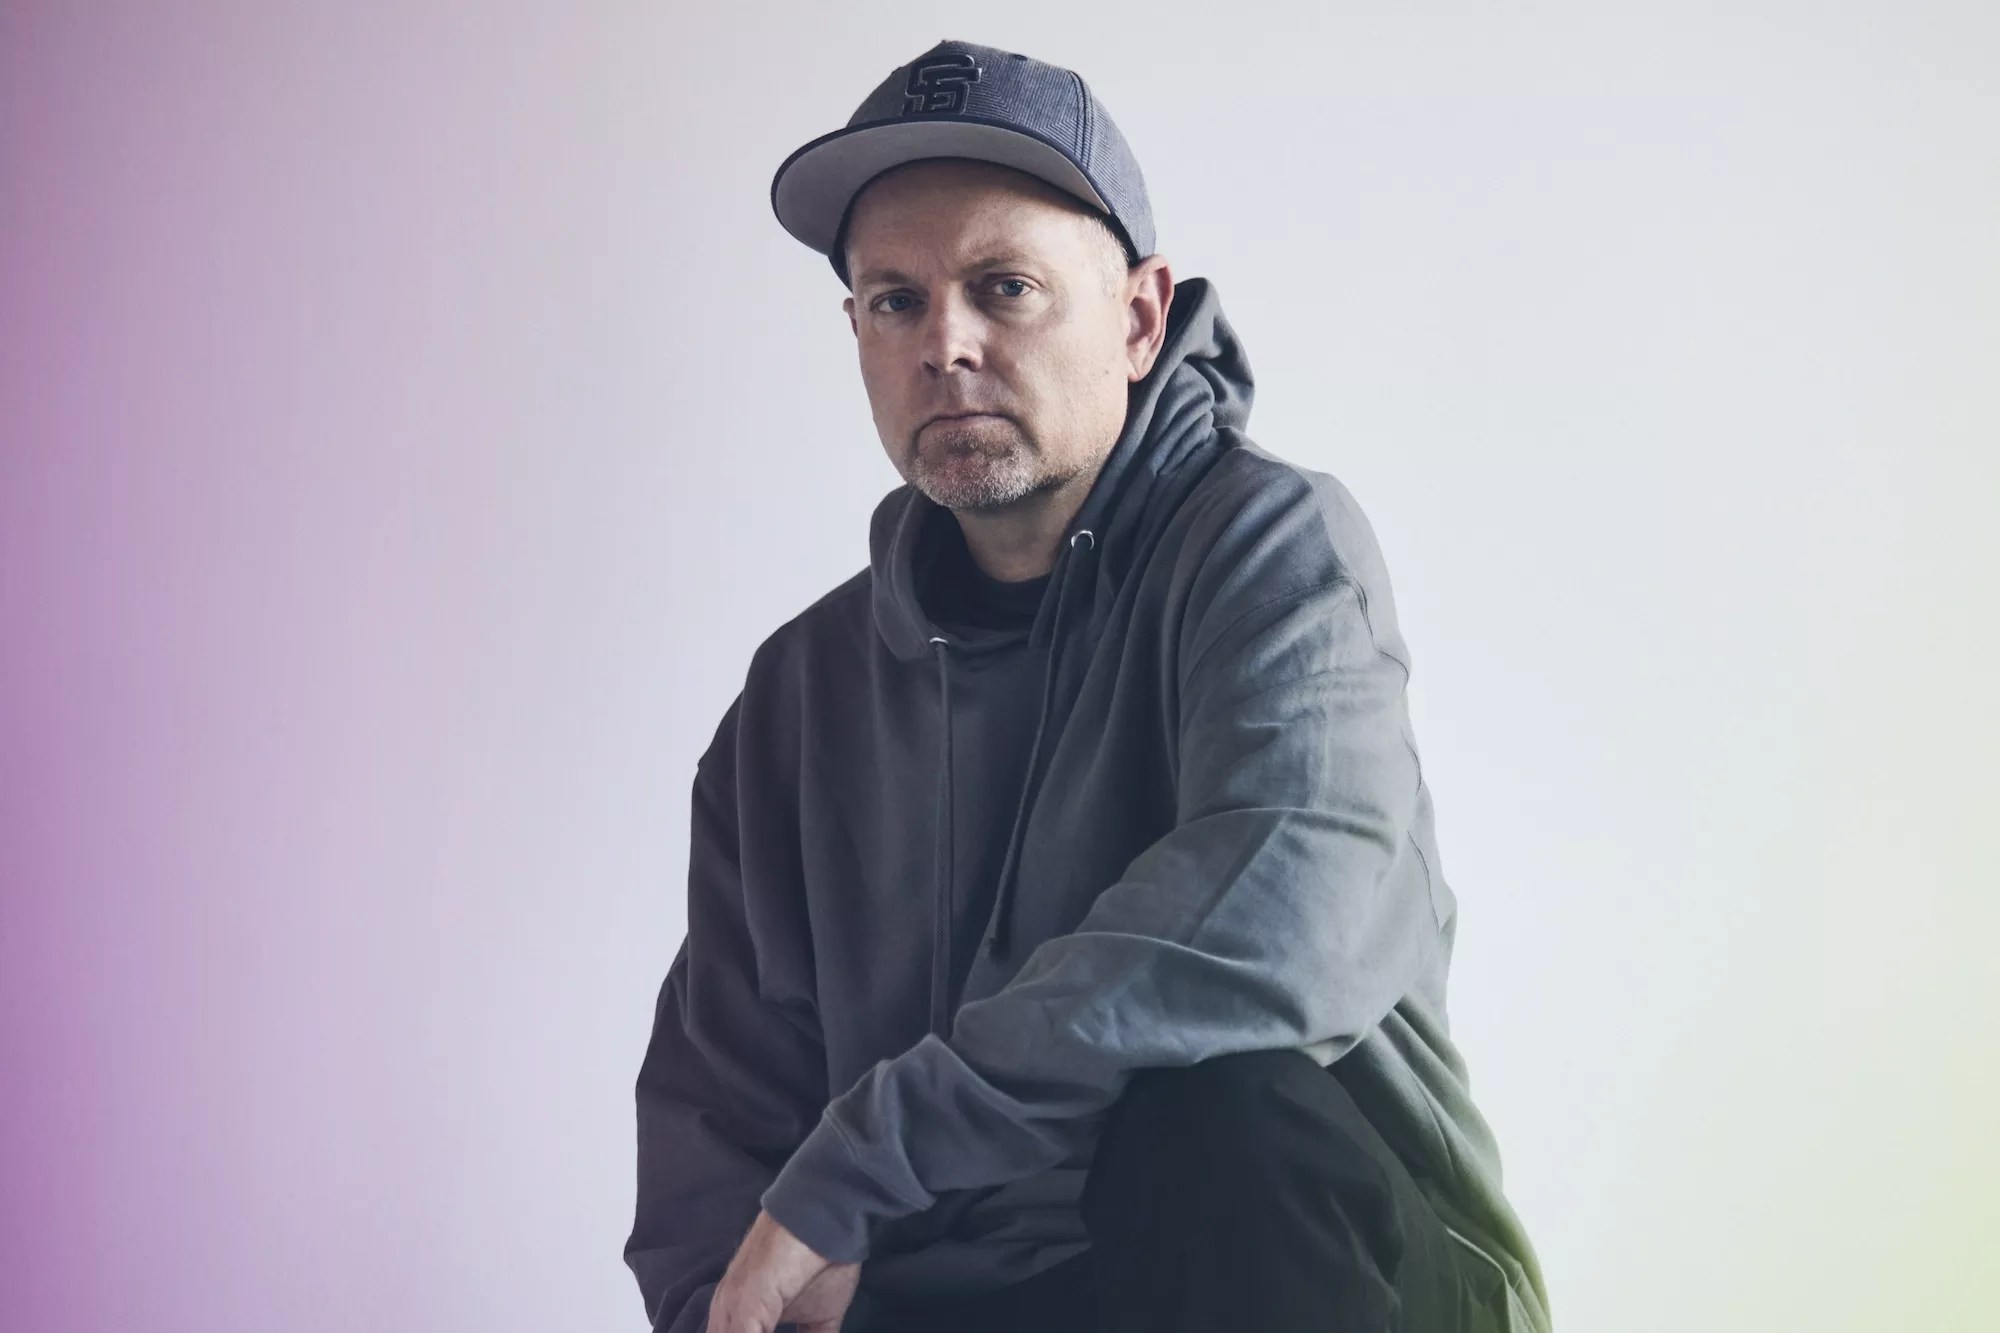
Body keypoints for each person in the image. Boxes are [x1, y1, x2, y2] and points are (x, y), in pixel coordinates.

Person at [623, 37, 1552, 1333]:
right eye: (895, 301)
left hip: (1295, 1274)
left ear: (1138, 318)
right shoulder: (798, 696)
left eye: (1004, 288)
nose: (944, 344)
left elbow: (1278, 916)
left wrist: (870, 1158)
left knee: (1220, 1104)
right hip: (964, 1309)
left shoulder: (1270, 554)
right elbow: (716, 1112)